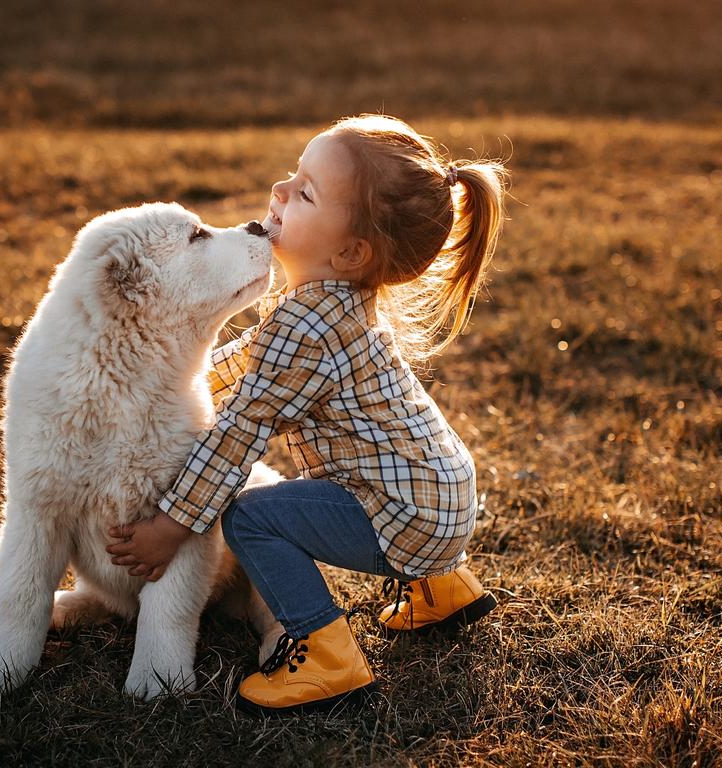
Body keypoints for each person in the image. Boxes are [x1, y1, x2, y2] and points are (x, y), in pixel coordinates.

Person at [106, 113, 510, 715]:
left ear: (350, 250)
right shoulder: (335, 302)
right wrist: (170, 383)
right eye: (293, 176)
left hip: (407, 515)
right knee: (314, 496)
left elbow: (238, 434)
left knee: (250, 518)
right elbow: (248, 363)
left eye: (305, 192)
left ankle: (322, 651)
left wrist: (173, 527)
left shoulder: (305, 324)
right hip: (444, 492)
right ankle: (443, 587)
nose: (280, 191)